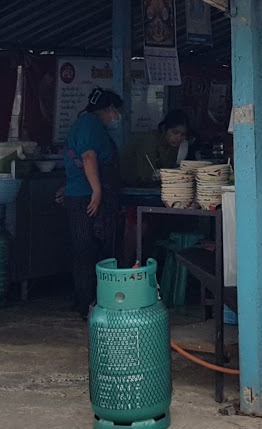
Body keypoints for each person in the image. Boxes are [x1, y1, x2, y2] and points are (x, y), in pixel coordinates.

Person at [64, 87, 123, 318]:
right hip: (84, 197)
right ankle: (85, 302)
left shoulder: (87, 124)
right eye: (116, 112)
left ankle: (89, 299)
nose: (117, 117)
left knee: (92, 247)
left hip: (81, 193)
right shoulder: (89, 125)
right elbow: (88, 157)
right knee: (85, 248)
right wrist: (97, 192)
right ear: (109, 109)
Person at [121, 110, 190, 186]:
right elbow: (145, 175)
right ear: (164, 129)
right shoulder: (149, 142)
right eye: (175, 132)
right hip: (131, 186)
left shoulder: (176, 146)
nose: (178, 138)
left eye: (183, 135)